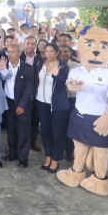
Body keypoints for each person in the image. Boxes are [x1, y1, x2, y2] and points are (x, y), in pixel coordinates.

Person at [35, 43, 70, 173]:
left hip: (57, 105)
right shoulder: (41, 64)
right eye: (46, 51)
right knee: (45, 132)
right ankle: (48, 156)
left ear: (56, 53)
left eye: (51, 51)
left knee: (57, 134)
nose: (48, 54)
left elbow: (63, 84)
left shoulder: (63, 66)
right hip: (41, 102)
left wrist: (56, 74)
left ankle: (56, 160)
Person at [1, 43, 36, 167]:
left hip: (23, 104)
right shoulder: (4, 66)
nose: (9, 54)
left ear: (19, 53)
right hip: (9, 103)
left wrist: (22, 105)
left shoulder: (28, 68)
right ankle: (12, 153)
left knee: (23, 131)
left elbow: (29, 89)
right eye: (8, 52)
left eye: (12, 52)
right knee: (11, 130)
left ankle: (23, 157)